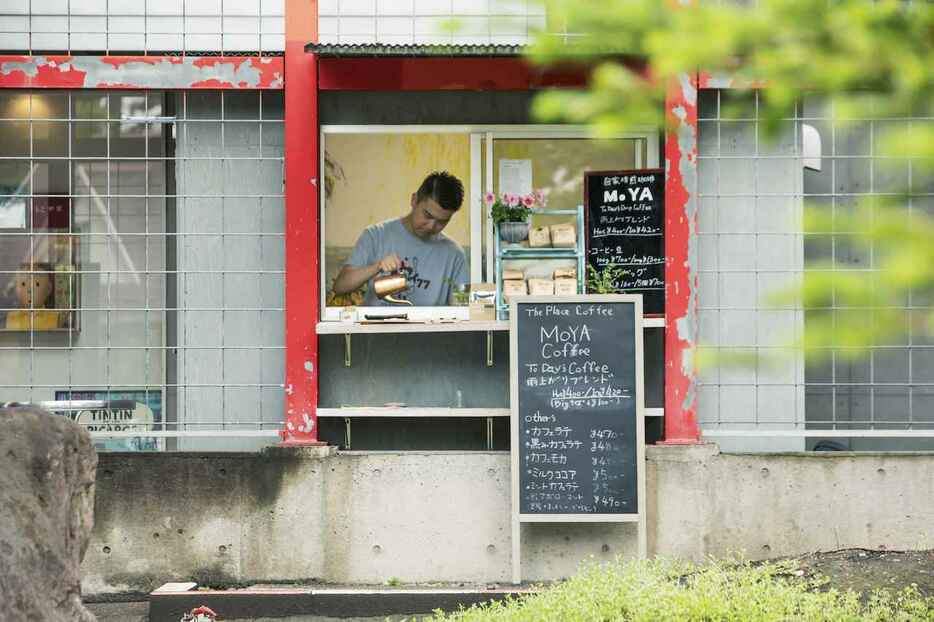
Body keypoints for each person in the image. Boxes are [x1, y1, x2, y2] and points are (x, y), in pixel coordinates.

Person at [333, 171, 469, 306]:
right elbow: (339, 287)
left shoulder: (455, 255)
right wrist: (377, 267)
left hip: (428, 328)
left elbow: (464, 309)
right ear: (414, 200)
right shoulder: (375, 235)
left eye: (442, 221)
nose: (431, 226)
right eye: (427, 215)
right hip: (377, 327)